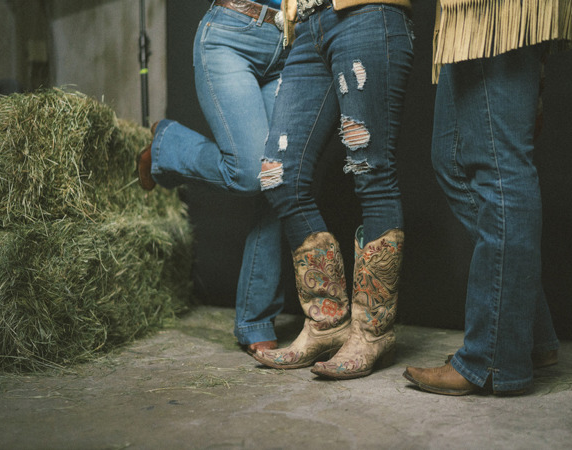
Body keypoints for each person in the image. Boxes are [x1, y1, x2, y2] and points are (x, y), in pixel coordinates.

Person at [403, 0, 572, 395]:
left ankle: (494, 358)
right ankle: (526, 336)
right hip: (464, 13)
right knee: (452, 160)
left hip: (494, 9)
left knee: (498, 166)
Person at [250, 0, 414, 379]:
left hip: (368, 13)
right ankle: (326, 323)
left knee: (372, 174)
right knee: (281, 177)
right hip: (307, 25)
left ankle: (373, 334)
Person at [136, 0, 289, 354]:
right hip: (233, 31)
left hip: (288, 45)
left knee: (277, 179)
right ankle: (167, 144)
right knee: (252, 173)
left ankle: (256, 319)